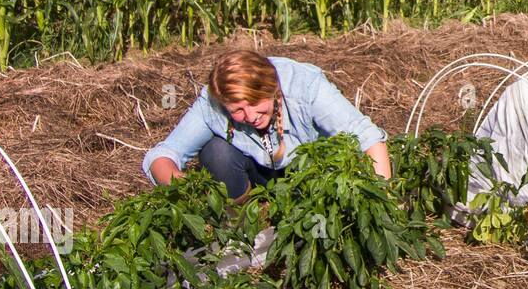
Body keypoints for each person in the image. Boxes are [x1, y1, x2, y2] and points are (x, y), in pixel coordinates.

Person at [144, 50, 390, 199]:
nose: (250, 116)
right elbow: (163, 155)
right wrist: (187, 188)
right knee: (216, 153)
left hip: (311, 174)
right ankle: (243, 217)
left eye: (255, 103)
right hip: (258, 174)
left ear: (272, 89)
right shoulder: (212, 104)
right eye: (237, 110)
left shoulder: (304, 86)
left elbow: (367, 137)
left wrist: (382, 199)